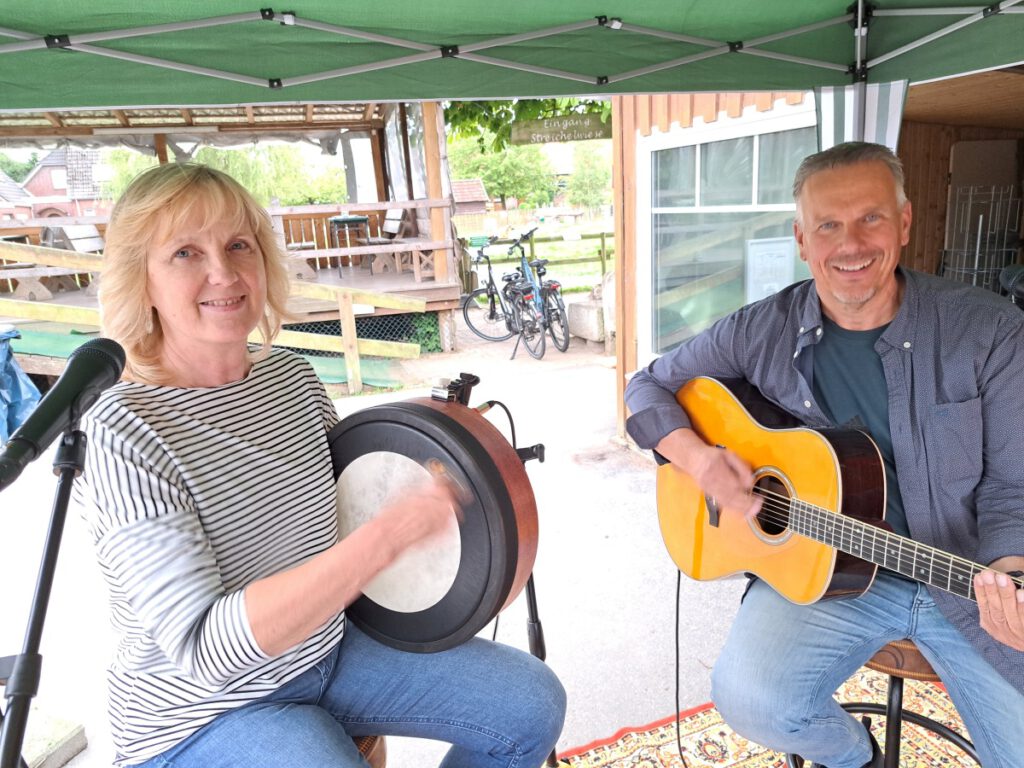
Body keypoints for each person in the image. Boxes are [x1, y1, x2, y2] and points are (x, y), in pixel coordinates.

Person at [73, 163, 566, 768]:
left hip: (326, 648)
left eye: (237, 245)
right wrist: (384, 540)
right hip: (202, 711)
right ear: (140, 279)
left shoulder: (292, 379)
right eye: (184, 253)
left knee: (530, 703)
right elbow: (205, 648)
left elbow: (354, 502)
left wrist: (444, 481)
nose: (224, 273)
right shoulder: (121, 428)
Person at [624, 142, 1024, 768]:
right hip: (828, 572)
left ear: (905, 222)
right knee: (749, 698)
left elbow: (1014, 487)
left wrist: (1010, 578)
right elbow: (646, 386)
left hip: (965, 578)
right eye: (828, 226)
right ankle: (857, 757)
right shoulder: (764, 329)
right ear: (801, 239)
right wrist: (700, 461)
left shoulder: (990, 330)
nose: (851, 244)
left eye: (871, 218)